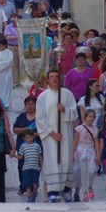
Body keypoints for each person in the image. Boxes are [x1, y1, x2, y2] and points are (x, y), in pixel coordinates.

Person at [36, 70, 78, 203]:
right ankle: (53, 191)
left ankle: (66, 190)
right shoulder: (42, 97)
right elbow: (40, 118)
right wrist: (52, 134)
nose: (54, 79)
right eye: (51, 77)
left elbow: (75, 113)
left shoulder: (67, 94)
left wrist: (65, 109)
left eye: (57, 77)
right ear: (47, 80)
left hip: (65, 134)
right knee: (52, 161)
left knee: (65, 160)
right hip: (50, 137)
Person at [13, 96, 40, 196]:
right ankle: (23, 187)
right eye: (28, 104)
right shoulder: (21, 117)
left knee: (35, 167)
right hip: (22, 147)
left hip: (36, 147)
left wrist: (34, 135)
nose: (30, 106)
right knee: (21, 167)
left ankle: (34, 187)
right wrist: (24, 130)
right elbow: (15, 129)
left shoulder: (39, 117)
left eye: (32, 104)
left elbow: (43, 131)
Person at [72, 110, 99, 203]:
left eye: (93, 117)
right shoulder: (79, 128)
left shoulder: (95, 129)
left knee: (91, 171)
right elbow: (75, 141)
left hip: (90, 150)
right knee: (83, 171)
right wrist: (72, 154)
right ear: (85, 118)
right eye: (89, 116)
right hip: (81, 150)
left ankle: (90, 186)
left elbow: (96, 142)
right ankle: (84, 192)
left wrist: (98, 155)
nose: (91, 118)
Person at [16, 129, 43, 203]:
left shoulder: (37, 145)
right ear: (24, 138)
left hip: (35, 168)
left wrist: (41, 165)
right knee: (27, 184)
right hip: (26, 168)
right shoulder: (23, 146)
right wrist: (14, 156)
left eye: (30, 137)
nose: (29, 139)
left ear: (33, 137)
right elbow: (21, 157)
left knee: (35, 183)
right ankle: (29, 197)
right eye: (27, 137)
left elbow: (40, 156)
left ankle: (34, 194)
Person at [3, 13, 20, 86]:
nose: (14, 21)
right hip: (12, 46)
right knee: (13, 64)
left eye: (15, 19)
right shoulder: (8, 27)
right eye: (12, 20)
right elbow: (7, 37)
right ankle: (14, 82)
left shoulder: (20, 26)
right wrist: (17, 37)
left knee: (19, 64)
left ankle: (19, 81)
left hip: (19, 46)